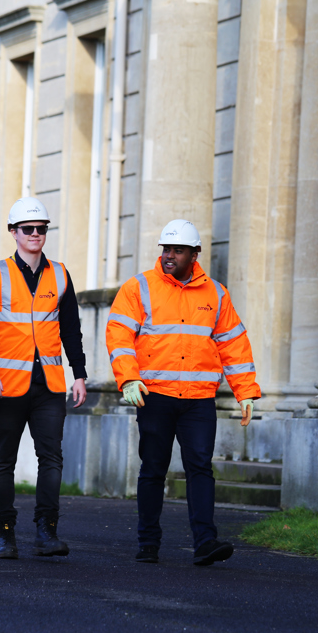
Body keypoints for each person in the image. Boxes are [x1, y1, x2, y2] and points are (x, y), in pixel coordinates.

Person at [106, 219, 260, 566]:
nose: (169, 256)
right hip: (155, 395)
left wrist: (246, 391)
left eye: (177, 250)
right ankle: (148, 542)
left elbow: (233, 344)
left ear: (195, 254)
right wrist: (128, 379)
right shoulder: (139, 287)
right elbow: (118, 335)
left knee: (200, 468)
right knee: (153, 468)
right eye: (166, 249)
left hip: (199, 400)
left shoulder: (216, 294)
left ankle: (206, 541)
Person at [0, 196, 87, 559]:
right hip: (7, 384)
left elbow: (71, 331)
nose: (35, 234)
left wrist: (80, 375)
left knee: (51, 459)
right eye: (28, 229)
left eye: (41, 229)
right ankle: (5, 534)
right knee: (4, 460)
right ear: (14, 232)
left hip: (50, 384)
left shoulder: (60, 274)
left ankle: (46, 531)